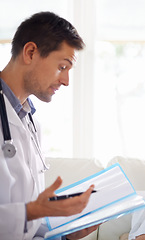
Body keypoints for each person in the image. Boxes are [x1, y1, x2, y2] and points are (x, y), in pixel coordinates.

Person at [0, 12, 98, 239]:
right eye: (62, 67)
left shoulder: (29, 121)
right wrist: (34, 210)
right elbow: (26, 213)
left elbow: (27, 224)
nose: (66, 81)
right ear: (30, 52)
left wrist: (66, 235)